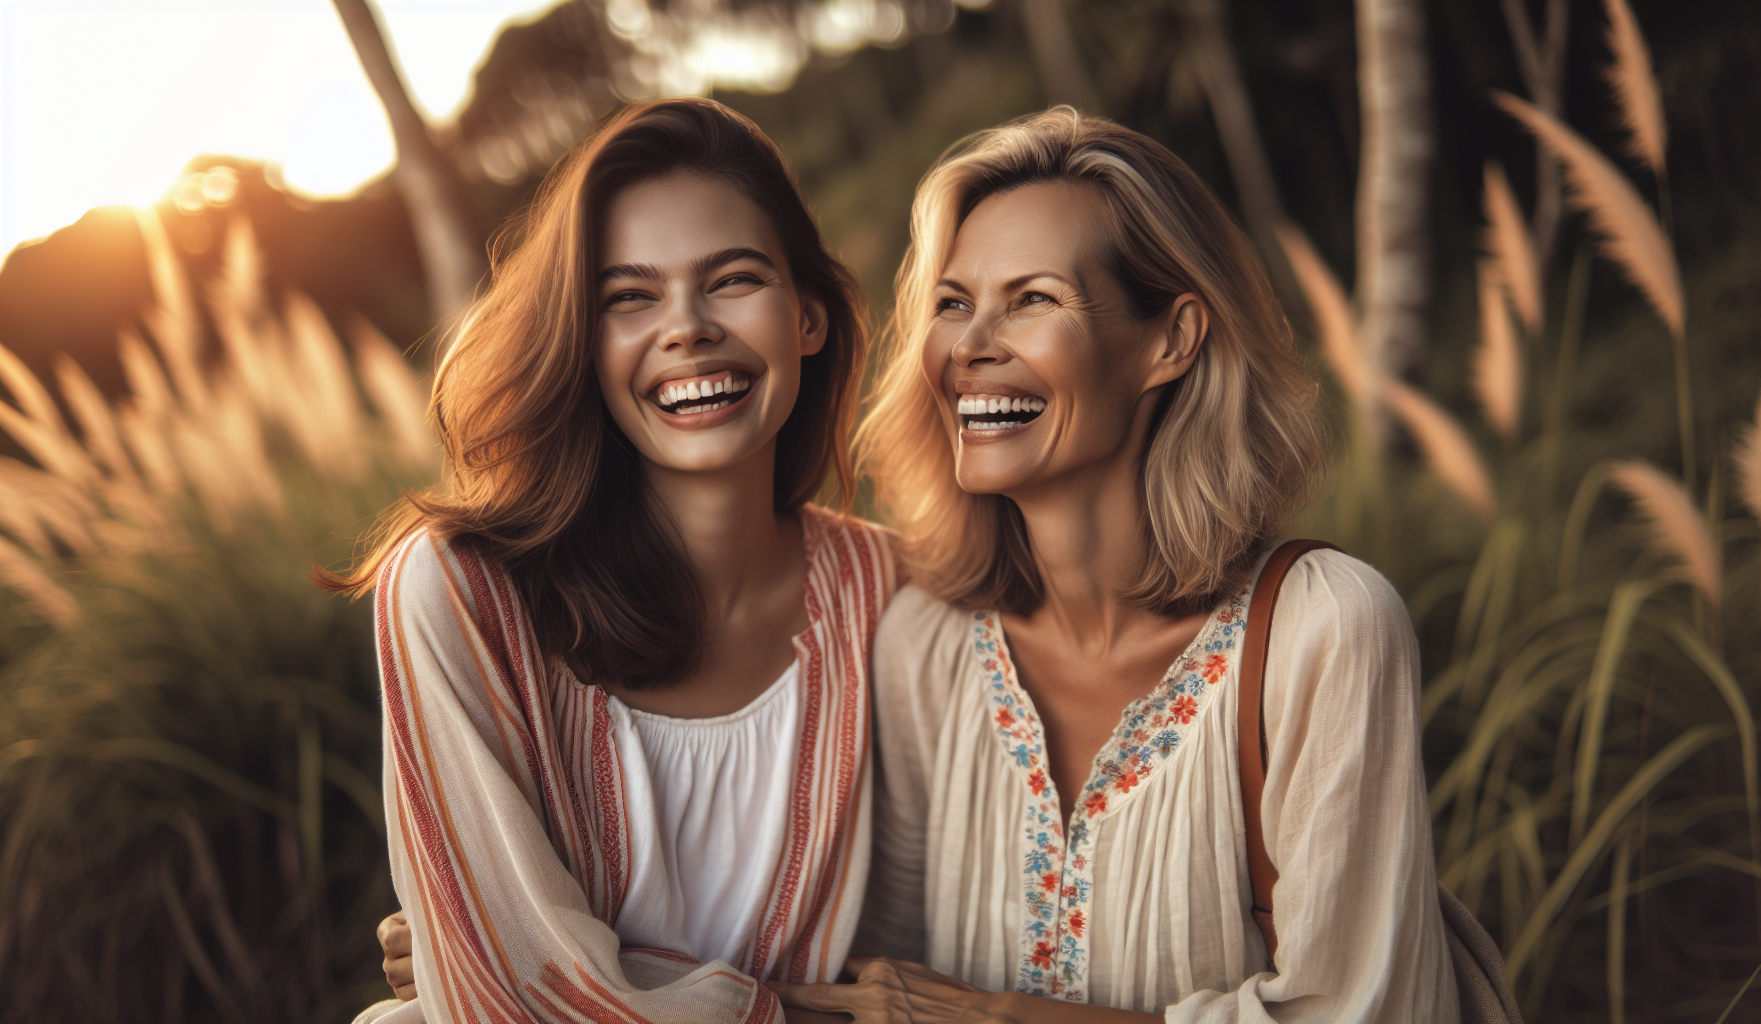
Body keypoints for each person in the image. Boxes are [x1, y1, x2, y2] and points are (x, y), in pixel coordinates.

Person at [772, 108, 1461, 1022]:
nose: (971, 346)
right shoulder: (923, 648)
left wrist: (998, 1018)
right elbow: (885, 984)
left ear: (1170, 340)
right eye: (952, 302)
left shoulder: (1323, 629)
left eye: (1034, 298)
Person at [331, 97, 897, 1024]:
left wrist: (504, 946)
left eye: (734, 279)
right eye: (629, 297)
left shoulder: (897, 598)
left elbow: (956, 935)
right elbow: (519, 1003)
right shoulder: (457, 594)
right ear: (583, 343)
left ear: (810, 317)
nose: (687, 328)